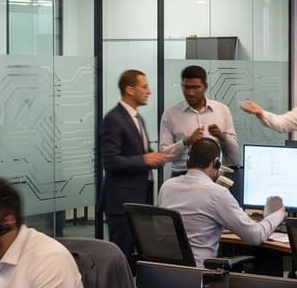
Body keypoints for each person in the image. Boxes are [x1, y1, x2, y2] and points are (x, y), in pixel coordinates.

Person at [157, 137, 285, 261]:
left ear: (188, 162)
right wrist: (278, 214)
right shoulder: (217, 193)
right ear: (216, 163)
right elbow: (256, 236)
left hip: (164, 271)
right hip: (198, 276)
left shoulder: (167, 186)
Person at [99, 69, 170, 259]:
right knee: (122, 256)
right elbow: (110, 161)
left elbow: (138, 156)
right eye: (145, 86)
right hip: (122, 204)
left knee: (140, 256)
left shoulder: (137, 119)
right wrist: (145, 159)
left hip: (141, 200)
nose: (149, 91)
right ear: (130, 90)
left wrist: (156, 158)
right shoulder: (113, 119)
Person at [160, 64, 239, 174]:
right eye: (186, 87)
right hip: (182, 174)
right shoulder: (171, 114)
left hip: (214, 174)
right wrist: (185, 142)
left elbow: (234, 154)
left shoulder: (222, 110)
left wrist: (222, 136)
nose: (190, 93)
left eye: (196, 87)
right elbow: (164, 154)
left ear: (205, 87)